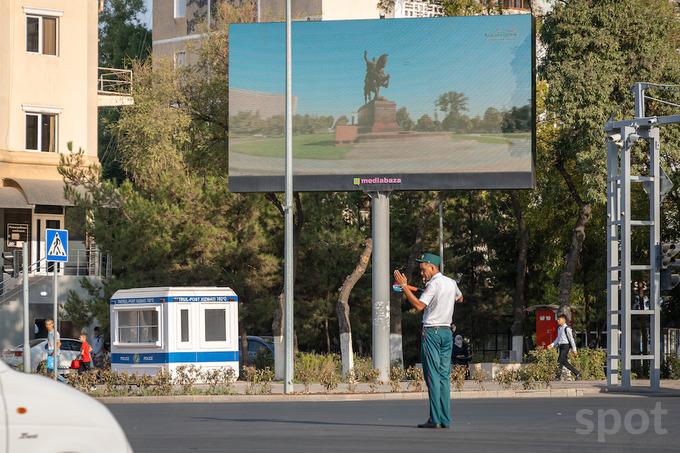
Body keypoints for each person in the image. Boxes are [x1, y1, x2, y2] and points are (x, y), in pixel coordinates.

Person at [394, 252, 463, 429]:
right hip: (447, 332)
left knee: (432, 377)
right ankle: (445, 420)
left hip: (432, 332)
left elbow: (418, 306)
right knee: (443, 377)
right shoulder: (450, 282)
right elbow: (460, 297)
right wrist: (411, 288)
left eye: (424, 270)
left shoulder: (433, 284)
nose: (422, 273)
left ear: (433, 267)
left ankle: (435, 420)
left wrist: (404, 287)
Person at [547, 313, 581, 381]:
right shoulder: (559, 328)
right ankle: (577, 373)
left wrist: (574, 349)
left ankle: (558, 376)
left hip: (566, 346)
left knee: (559, 360)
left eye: (559, 319)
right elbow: (558, 339)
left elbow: (571, 339)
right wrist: (552, 345)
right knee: (564, 362)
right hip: (561, 346)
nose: (557, 320)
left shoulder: (567, 328)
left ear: (563, 320)